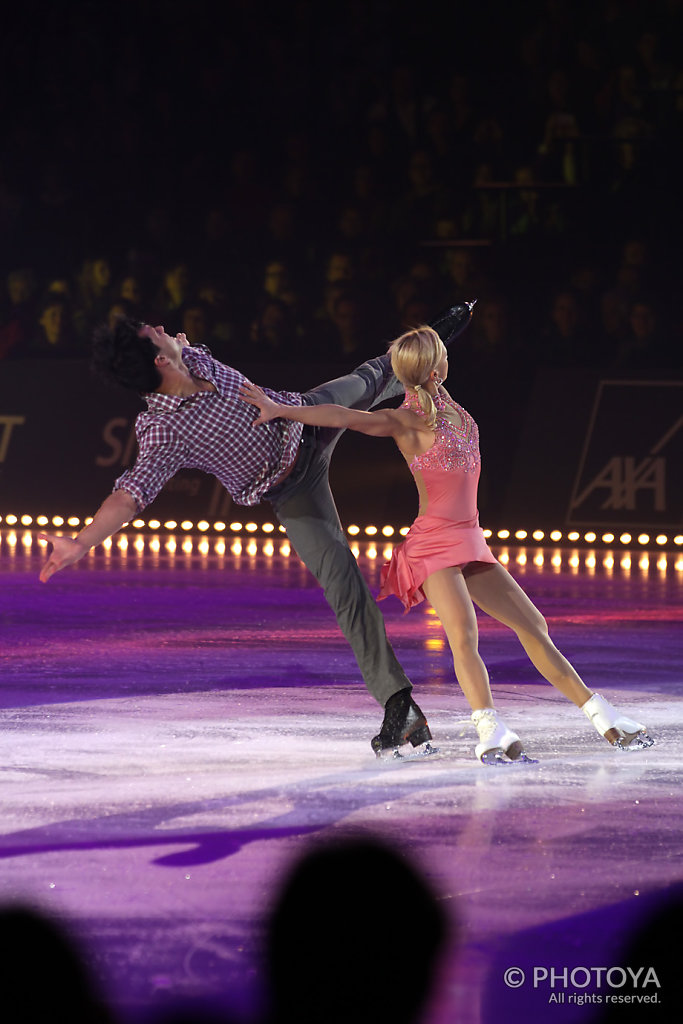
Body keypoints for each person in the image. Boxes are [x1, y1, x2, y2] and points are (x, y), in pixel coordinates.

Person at [38, 306, 475, 757]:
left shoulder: (195, 359)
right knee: (343, 585)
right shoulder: (163, 430)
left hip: (304, 415)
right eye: (157, 333)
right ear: (158, 362)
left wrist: (180, 347)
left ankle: (443, 332)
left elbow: (184, 346)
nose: (167, 330)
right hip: (293, 490)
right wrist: (82, 541)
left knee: (379, 371)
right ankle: (399, 706)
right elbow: (129, 495)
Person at [240, 325, 656, 764]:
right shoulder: (406, 420)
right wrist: (279, 409)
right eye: (442, 354)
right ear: (436, 366)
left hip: (470, 540)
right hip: (433, 547)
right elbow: (344, 416)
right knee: (463, 634)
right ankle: (489, 729)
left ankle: (601, 715)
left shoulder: (458, 414)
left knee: (533, 625)